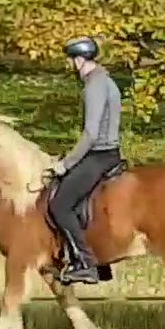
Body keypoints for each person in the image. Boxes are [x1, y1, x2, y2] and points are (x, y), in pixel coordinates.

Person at [45, 36, 124, 285]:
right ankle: (101, 262)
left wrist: (65, 164)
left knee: (59, 204)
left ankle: (85, 263)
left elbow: (90, 134)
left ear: (79, 60)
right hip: (106, 153)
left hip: (99, 155)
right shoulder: (104, 80)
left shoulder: (94, 85)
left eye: (71, 60)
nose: (70, 65)